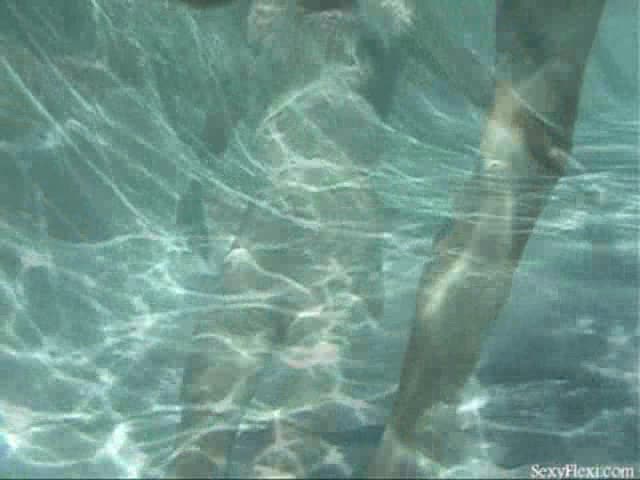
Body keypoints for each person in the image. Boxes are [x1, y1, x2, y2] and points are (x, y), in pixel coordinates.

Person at [170, 0, 606, 478]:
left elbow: (474, 81)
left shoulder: (395, 17)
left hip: (340, 232)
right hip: (270, 225)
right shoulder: (272, 16)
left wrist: (536, 136)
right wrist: (193, 190)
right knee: (209, 398)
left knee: (299, 420)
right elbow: (227, 104)